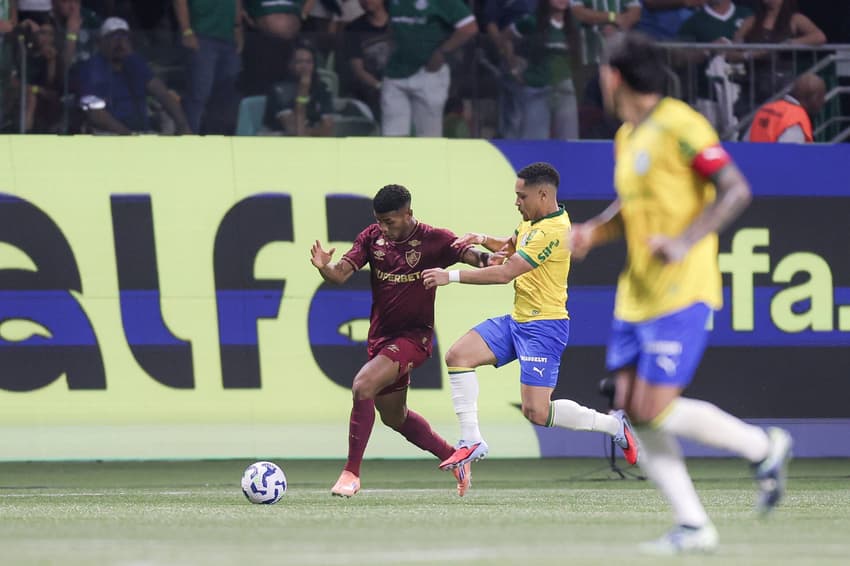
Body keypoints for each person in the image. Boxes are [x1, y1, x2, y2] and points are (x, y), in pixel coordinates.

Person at [569, 31, 792, 554]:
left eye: (603, 70)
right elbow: (630, 208)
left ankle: (763, 446)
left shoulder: (680, 124)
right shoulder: (628, 135)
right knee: (629, 405)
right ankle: (693, 524)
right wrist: (594, 233)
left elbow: (735, 188)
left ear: (615, 76)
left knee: (652, 407)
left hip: (682, 288)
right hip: (636, 293)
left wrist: (686, 240)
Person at [420, 162, 638, 473]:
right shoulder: (533, 221)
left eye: (521, 197)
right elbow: (511, 248)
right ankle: (471, 440)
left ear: (543, 194)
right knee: (458, 355)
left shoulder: (554, 230)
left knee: (536, 412)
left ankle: (614, 426)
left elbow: (506, 273)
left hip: (544, 329)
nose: (516, 202)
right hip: (517, 321)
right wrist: (482, 238)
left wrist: (450, 276)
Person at [310, 184, 496, 498]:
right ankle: (455, 457)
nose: (383, 228)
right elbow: (340, 274)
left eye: (390, 222)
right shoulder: (372, 237)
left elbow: (474, 258)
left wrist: (499, 258)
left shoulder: (434, 239)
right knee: (394, 417)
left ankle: (351, 474)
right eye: (379, 221)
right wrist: (324, 267)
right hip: (381, 339)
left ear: (408, 214)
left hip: (414, 338)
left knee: (362, 386)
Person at [77, 17, 191, 134]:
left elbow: (162, 93)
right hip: (109, 134)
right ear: (101, 42)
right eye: (114, 37)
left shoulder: (134, 62)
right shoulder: (92, 68)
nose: (120, 42)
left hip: (141, 131)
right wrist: (128, 135)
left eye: (124, 37)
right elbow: (95, 114)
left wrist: (183, 125)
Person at [381, 0, 477, 137]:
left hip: (428, 73)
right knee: (392, 137)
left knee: (428, 139)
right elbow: (392, 25)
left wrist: (442, 52)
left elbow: (469, 27)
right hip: (395, 73)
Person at [505, 0, 580, 140]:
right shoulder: (531, 22)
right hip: (537, 87)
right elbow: (506, 37)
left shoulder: (573, 25)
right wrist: (513, 65)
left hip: (565, 89)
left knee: (569, 142)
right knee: (535, 141)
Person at [173, 0, 243, 134]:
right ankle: (189, 137)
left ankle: (216, 136)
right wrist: (186, 30)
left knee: (225, 94)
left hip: (227, 37)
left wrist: (237, 27)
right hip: (201, 34)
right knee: (199, 92)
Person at [264, 43, 334, 136]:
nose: (304, 66)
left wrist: (309, 133)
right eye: (299, 62)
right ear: (290, 64)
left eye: (309, 62)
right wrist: (303, 93)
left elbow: (327, 130)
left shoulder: (322, 88)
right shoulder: (279, 90)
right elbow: (295, 131)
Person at [747, 72, 825, 142]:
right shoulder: (796, 118)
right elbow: (787, 155)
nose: (824, 101)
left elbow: (746, 140)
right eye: (821, 96)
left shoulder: (766, 109)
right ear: (813, 98)